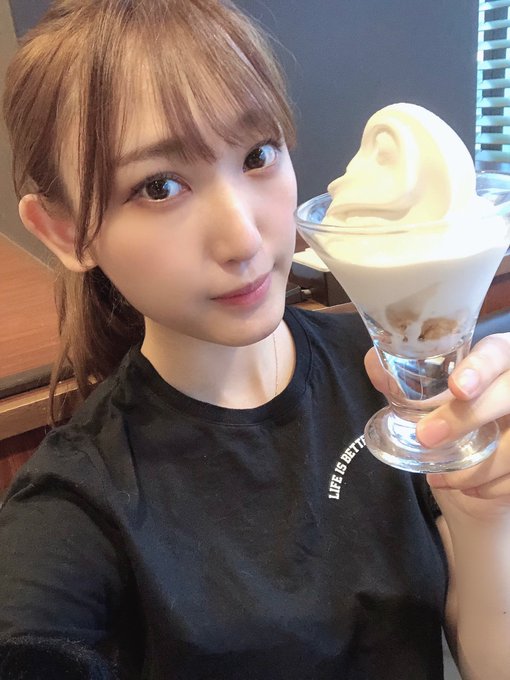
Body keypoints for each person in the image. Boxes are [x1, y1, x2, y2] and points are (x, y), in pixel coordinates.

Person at [0, 1, 509, 678]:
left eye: (257, 154)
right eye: (159, 186)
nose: (243, 239)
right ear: (65, 232)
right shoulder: (76, 505)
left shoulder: (381, 375)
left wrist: (483, 516)